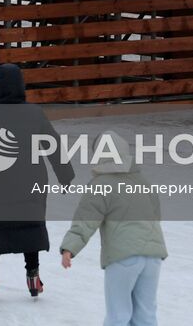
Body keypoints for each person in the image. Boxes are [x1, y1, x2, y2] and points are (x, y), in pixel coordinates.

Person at [0, 63, 75, 299]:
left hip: (1, 182)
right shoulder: (34, 113)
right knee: (31, 226)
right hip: (32, 180)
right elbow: (53, 144)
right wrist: (65, 174)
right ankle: (33, 277)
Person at [59, 132, 168, 326]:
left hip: (123, 258)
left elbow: (86, 219)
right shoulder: (143, 182)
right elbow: (156, 215)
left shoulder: (101, 184)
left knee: (118, 315)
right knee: (146, 316)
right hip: (153, 257)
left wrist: (70, 247)